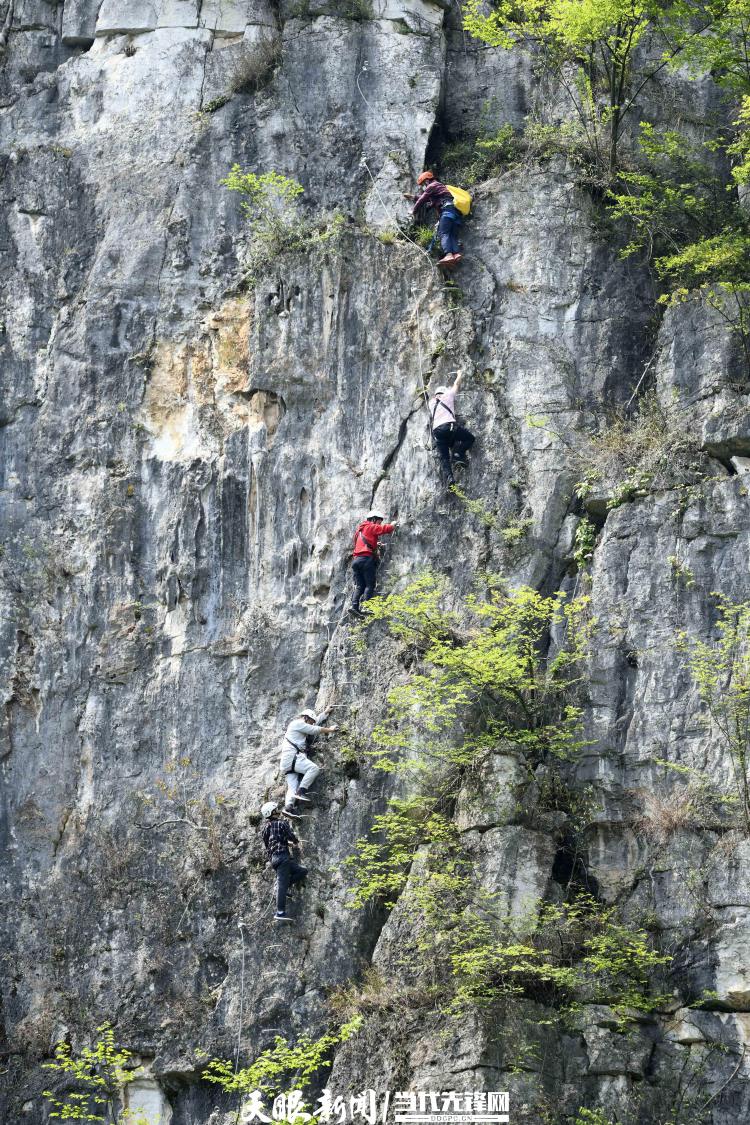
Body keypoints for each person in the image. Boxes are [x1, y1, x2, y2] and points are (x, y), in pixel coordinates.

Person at [280, 707, 338, 814]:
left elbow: (313, 726)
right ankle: (301, 791)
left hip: (286, 762)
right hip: (293, 757)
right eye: (311, 721)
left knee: (292, 787)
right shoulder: (297, 723)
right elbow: (314, 729)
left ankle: (289, 807)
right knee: (313, 768)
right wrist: (330, 729)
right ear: (306, 718)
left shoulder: (299, 725)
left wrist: (325, 713)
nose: (312, 723)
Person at [260, 801, 307, 923]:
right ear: (272, 812)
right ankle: (280, 912)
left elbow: (271, 842)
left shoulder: (265, 828)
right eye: (276, 809)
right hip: (283, 857)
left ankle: (285, 886)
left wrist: (287, 843)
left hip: (275, 859)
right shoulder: (281, 823)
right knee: (281, 885)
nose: (278, 810)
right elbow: (291, 836)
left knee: (302, 871)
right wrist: (295, 842)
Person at [429, 371, 475, 487]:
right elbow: (456, 384)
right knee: (470, 438)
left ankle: (450, 479)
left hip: (437, 432)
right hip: (448, 427)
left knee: (444, 457)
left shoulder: (431, 403)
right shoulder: (447, 396)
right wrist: (459, 374)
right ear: (444, 392)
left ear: (435, 395)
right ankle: (458, 453)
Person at [411, 171, 462, 267]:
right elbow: (430, 202)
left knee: (443, 233)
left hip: (446, 212)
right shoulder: (440, 188)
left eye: (422, 184)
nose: (423, 187)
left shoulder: (432, 186)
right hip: (454, 213)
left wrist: (413, 211)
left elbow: (423, 199)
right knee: (451, 234)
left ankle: (448, 255)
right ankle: (456, 254)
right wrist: (414, 197)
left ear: (426, 181)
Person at [350, 509, 397, 615]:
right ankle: (366, 607)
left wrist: (376, 544)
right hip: (366, 559)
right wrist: (393, 525)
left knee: (360, 586)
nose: (380, 523)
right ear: (374, 519)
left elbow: (362, 544)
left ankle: (354, 607)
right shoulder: (370, 526)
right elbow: (384, 529)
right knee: (369, 585)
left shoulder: (359, 531)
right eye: (379, 521)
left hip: (356, 561)